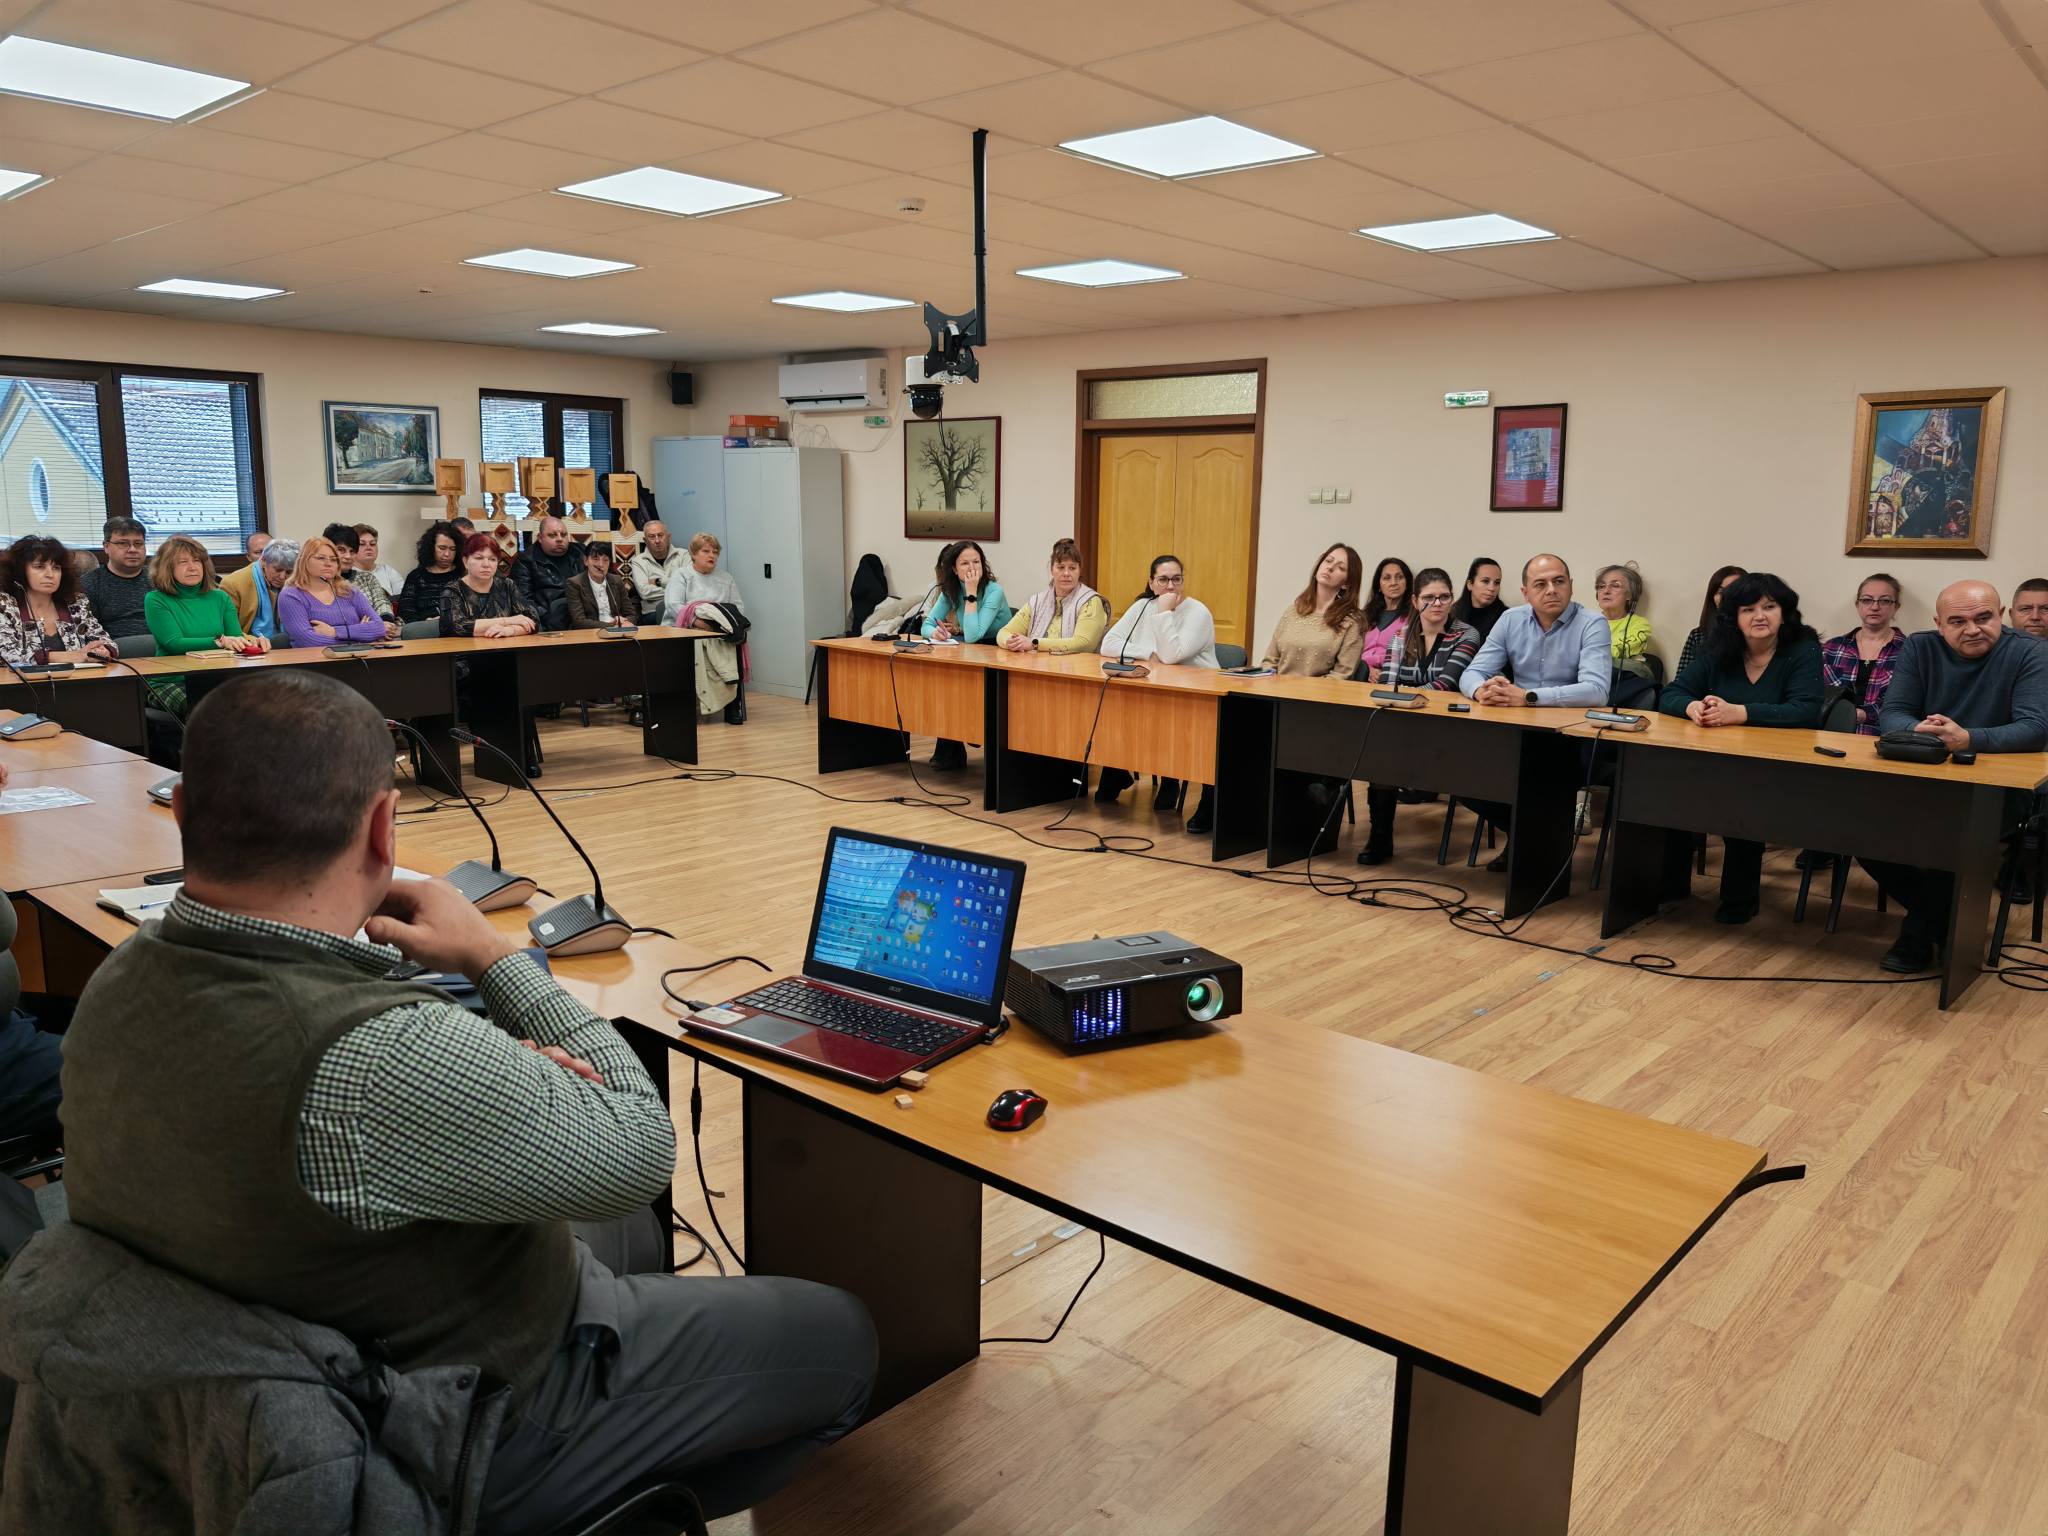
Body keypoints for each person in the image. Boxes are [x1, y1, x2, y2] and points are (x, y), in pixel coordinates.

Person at [49, 669, 875, 1533]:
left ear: (183, 811)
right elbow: (640, 1143)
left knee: (629, 1234)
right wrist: (490, 954)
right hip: (451, 1422)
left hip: (254, 1380)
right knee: (844, 1338)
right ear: (383, 826)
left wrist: (482, 1075)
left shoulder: (116, 981)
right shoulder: (375, 1057)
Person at [1861, 580, 2048, 972]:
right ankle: (1946, 925)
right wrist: (1918, 731)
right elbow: (1892, 713)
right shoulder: (1921, 647)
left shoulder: (2032, 652)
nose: (1972, 629)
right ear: (1939, 624)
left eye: (1983, 618)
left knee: (1947, 835)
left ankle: (1916, 935)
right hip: (1924, 776)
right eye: (1958, 621)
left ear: (2001, 615)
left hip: (1998, 786)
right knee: (1858, 829)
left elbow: (2035, 729)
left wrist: (1967, 738)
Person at [1658, 572, 1824, 923]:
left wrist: (1740, 713)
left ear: (1784, 612)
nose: (1759, 616)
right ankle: (1670, 886)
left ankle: (1739, 899)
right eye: (1748, 609)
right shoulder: (1717, 649)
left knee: (1742, 797)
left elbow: (1805, 710)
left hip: (1778, 766)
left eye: (1769, 607)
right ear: (1734, 617)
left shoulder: (1803, 648)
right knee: (1666, 790)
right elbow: (1671, 693)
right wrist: (1692, 707)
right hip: (1717, 760)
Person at [1355, 567, 1481, 865]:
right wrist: (1403, 696)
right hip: (1405, 725)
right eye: (1429, 598)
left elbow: (1445, 685)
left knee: (1388, 746)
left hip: (1449, 727)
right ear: (1415, 601)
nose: (1437, 604)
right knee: (1381, 750)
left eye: (1444, 597)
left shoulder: (1466, 634)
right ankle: (1380, 836)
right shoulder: (1400, 636)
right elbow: (1388, 685)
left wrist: (1404, 694)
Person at [1095, 555, 1219, 818]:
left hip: (1197, 697)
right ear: (1151, 583)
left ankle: (1174, 780)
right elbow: (1109, 643)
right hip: (1156, 690)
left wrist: (1164, 613)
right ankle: (1118, 769)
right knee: (1116, 710)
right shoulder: (1143, 606)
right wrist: (1147, 652)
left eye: (1176, 579)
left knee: (1163, 719)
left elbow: (1172, 656)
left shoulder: (1198, 613)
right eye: (1163, 579)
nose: (1170, 586)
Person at [1460, 554, 1609, 708]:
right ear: (1525, 593)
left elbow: (1597, 691)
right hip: (1518, 716)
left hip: (1567, 718)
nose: (1551, 590)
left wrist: (1528, 697)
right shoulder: (1510, 619)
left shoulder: (1592, 623)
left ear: (1570, 586)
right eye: (1540, 584)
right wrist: (1481, 691)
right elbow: (1472, 673)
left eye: (1559, 581)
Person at [143, 536, 267, 715]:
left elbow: (236, 637)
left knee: (262, 703)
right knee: (209, 708)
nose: (192, 567)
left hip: (216, 677)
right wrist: (219, 642)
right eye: (183, 562)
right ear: (167, 567)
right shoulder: (156, 599)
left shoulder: (220, 597)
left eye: (197, 561)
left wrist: (253, 643)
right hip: (172, 681)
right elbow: (174, 643)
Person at [921, 540, 1010, 771]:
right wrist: (935, 633)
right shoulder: (951, 590)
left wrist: (971, 594)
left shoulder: (994, 591)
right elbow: (926, 625)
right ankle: (950, 749)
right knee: (946, 684)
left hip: (997, 651)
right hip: (972, 650)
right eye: (965, 563)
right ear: (954, 568)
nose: (972, 568)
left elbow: (973, 635)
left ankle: (970, 735)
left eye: (976, 562)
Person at [0, 534, 118, 669]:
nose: (50, 574)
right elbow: (5, 655)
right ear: (20, 571)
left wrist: (102, 651)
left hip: (77, 679)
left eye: (56, 568)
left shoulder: (76, 603)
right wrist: (72, 656)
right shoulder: (4, 605)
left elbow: (106, 641)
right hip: (21, 682)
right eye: (39, 567)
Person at [1261, 543, 1363, 677]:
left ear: (1347, 583)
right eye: (1328, 561)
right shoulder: (1293, 611)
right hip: (1277, 688)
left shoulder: (1351, 622)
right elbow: (1269, 661)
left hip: (1318, 690)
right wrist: (1271, 682)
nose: (1330, 567)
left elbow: (1341, 676)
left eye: (1341, 568)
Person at [1820, 574, 1906, 734]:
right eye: (1867, 600)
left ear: (1896, 607)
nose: (1875, 607)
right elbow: (1813, 694)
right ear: (1857, 604)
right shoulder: (1831, 648)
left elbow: (1908, 704)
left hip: (1882, 739)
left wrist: (1863, 715)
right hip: (1830, 737)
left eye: (1884, 601)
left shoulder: (1909, 652)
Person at [998, 538, 1109, 655]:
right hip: (1035, 664)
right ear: (1051, 570)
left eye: (1072, 568)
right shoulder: (1037, 601)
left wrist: (1034, 644)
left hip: (1076, 666)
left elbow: (1084, 644)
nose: (1066, 573)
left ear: (1079, 571)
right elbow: (1003, 633)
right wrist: (1011, 642)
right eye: (1061, 567)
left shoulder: (1091, 602)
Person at [278, 535, 384, 650]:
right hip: (313, 659)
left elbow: (379, 628)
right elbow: (308, 641)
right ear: (304, 561)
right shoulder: (291, 595)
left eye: (333, 559)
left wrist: (335, 631)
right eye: (321, 558)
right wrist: (361, 635)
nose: (328, 563)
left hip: (358, 656)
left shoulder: (350, 591)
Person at [440, 533, 540, 639]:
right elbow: (456, 627)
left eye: (492, 559)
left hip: (503, 647)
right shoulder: (452, 591)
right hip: (464, 649)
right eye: (479, 558)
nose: (486, 564)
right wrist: (509, 621)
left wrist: (510, 630)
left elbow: (532, 621)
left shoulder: (507, 585)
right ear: (465, 561)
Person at [79, 515, 152, 639]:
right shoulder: (89, 584)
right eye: (123, 543)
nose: (133, 550)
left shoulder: (160, 579)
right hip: (114, 647)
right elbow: (87, 631)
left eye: (138, 544)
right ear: (106, 546)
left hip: (166, 644)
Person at [221, 537, 298, 642]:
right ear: (263, 561)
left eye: (289, 572)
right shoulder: (233, 584)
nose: (282, 577)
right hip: (249, 644)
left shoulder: (297, 581)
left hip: (288, 643)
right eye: (278, 570)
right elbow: (227, 630)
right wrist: (255, 641)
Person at [661, 532, 746, 626]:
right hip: (682, 627)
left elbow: (738, 607)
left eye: (715, 552)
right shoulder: (681, 575)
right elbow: (673, 605)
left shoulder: (726, 578)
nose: (712, 555)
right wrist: (696, 622)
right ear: (694, 554)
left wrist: (725, 625)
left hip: (718, 628)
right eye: (706, 551)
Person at [514, 514, 583, 631]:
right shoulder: (526, 560)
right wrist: (547, 617)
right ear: (540, 538)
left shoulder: (581, 552)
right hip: (547, 623)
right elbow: (522, 600)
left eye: (563, 535)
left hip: (584, 617)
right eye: (552, 535)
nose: (560, 539)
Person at [1677, 566, 1746, 676]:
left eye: (1733, 591)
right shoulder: (1698, 636)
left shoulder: (1757, 634)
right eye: (1720, 591)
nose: (1725, 596)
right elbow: (1681, 680)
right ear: (1712, 597)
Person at [1594, 563, 1653, 676]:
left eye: (1615, 586)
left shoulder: (1640, 625)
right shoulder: (1588, 623)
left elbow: (1614, 652)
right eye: (1601, 586)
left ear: (1629, 595)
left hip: (1624, 679)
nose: (1606, 591)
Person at [1358, 557, 1413, 675]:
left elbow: (1412, 656)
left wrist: (1382, 672)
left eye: (1399, 577)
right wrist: (1367, 670)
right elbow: (1350, 652)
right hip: (1359, 673)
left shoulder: (1414, 617)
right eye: (1387, 578)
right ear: (1379, 586)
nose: (1393, 583)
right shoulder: (1364, 616)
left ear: (1407, 583)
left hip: (1393, 675)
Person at [398, 524, 463, 624]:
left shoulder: (464, 575)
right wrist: (424, 623)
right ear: (431, 547)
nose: (447, 554)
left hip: (458, 628)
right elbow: (405, 609)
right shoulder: (416, 576)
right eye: (442, 548)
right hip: (423, 629)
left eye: (452, 549)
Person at [564, 540, 636, 629]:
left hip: (619, 630)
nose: (601, 565)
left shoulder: (617, 581)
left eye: (605, 560)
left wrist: (625, 622)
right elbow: (579, 621)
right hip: (592, 632)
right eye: (595, 559)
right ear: (586, 561)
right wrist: (613, 625)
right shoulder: (574, 583)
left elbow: (631, 614)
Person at [627, 520, 687, 624]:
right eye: (652, 537)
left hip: (681, 609)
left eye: (660, 535)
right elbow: (645, 593)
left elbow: (689, 585)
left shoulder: (683, 555)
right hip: (653, 613)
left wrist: (658, 581)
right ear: (645, 540)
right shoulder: (638, 561)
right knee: (667, 612)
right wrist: (679, 590)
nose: (657, 540)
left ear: (668, 537)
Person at [1451, 556, 1505, 641]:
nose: (1492, 588)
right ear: (1470, 584)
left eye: (1497, 582)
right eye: (1485, 581)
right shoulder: (1452, 614)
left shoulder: (1506, 617)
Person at [354, 523, 402, 595]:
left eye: (372, 544)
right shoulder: (345, 575)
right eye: (362, 544)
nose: (368, 548)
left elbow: (405, 597)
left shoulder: (387, 570)